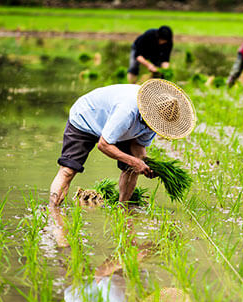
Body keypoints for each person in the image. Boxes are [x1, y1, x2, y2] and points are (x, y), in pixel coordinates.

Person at [48, 79, 196, 212]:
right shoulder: (127, 110)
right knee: (68, 170)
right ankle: (53, 212)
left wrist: (146, 165)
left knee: (132, 169)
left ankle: (122, 210)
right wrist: (135, 161)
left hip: (121, 128)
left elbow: (138, 149)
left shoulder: (156, 122)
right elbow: (104, 144)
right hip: (86, 118)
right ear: (148, 113)